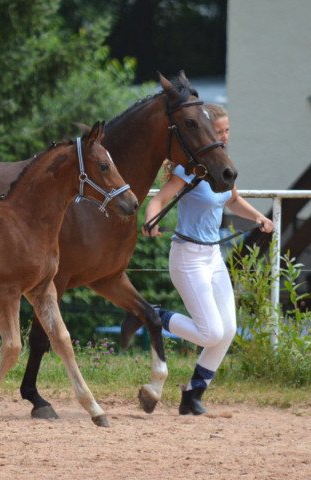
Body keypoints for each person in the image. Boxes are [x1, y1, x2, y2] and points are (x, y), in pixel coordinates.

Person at [142, 104, 274, 415]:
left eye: (227, 131)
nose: (225, 137)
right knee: (211, 333)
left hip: (213, 256)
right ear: (204, 134)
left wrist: (258, 217)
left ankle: (193, 394)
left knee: (227, 330)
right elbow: (159, 200)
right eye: (219, 132)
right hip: (187, 258)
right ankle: (152, 315)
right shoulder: (187, 170)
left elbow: (233, 199)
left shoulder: (220, 166)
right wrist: (151, 219)